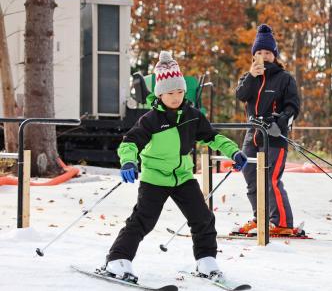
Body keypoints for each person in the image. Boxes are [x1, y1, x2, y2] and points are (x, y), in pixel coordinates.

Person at [102, 51, 248, 283]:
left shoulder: (192, 116)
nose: (176, 96)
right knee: (143, 220)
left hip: (182, 176)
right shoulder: (150, 119)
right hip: (155, 177)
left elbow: (213, 137)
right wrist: (128, 161)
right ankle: (118, 260)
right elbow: (130, 142)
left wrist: (234, 151)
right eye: (170, 92)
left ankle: (206, 260)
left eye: (180, 91)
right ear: (160, 93)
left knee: (202, 217)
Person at [234, 24, 300, 235]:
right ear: (254, 56)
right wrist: (252, 77)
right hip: (252, 133)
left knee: (271, 178)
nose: (264, 56)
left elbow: (293, 107)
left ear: (274, 55)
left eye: (268, 52)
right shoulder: (248, 78)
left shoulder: (285, 78)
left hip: (274, 134)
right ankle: (259, 218)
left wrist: (279, 122)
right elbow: (241, 96)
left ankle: (281, 222)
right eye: (259, 53)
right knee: (250, 175)